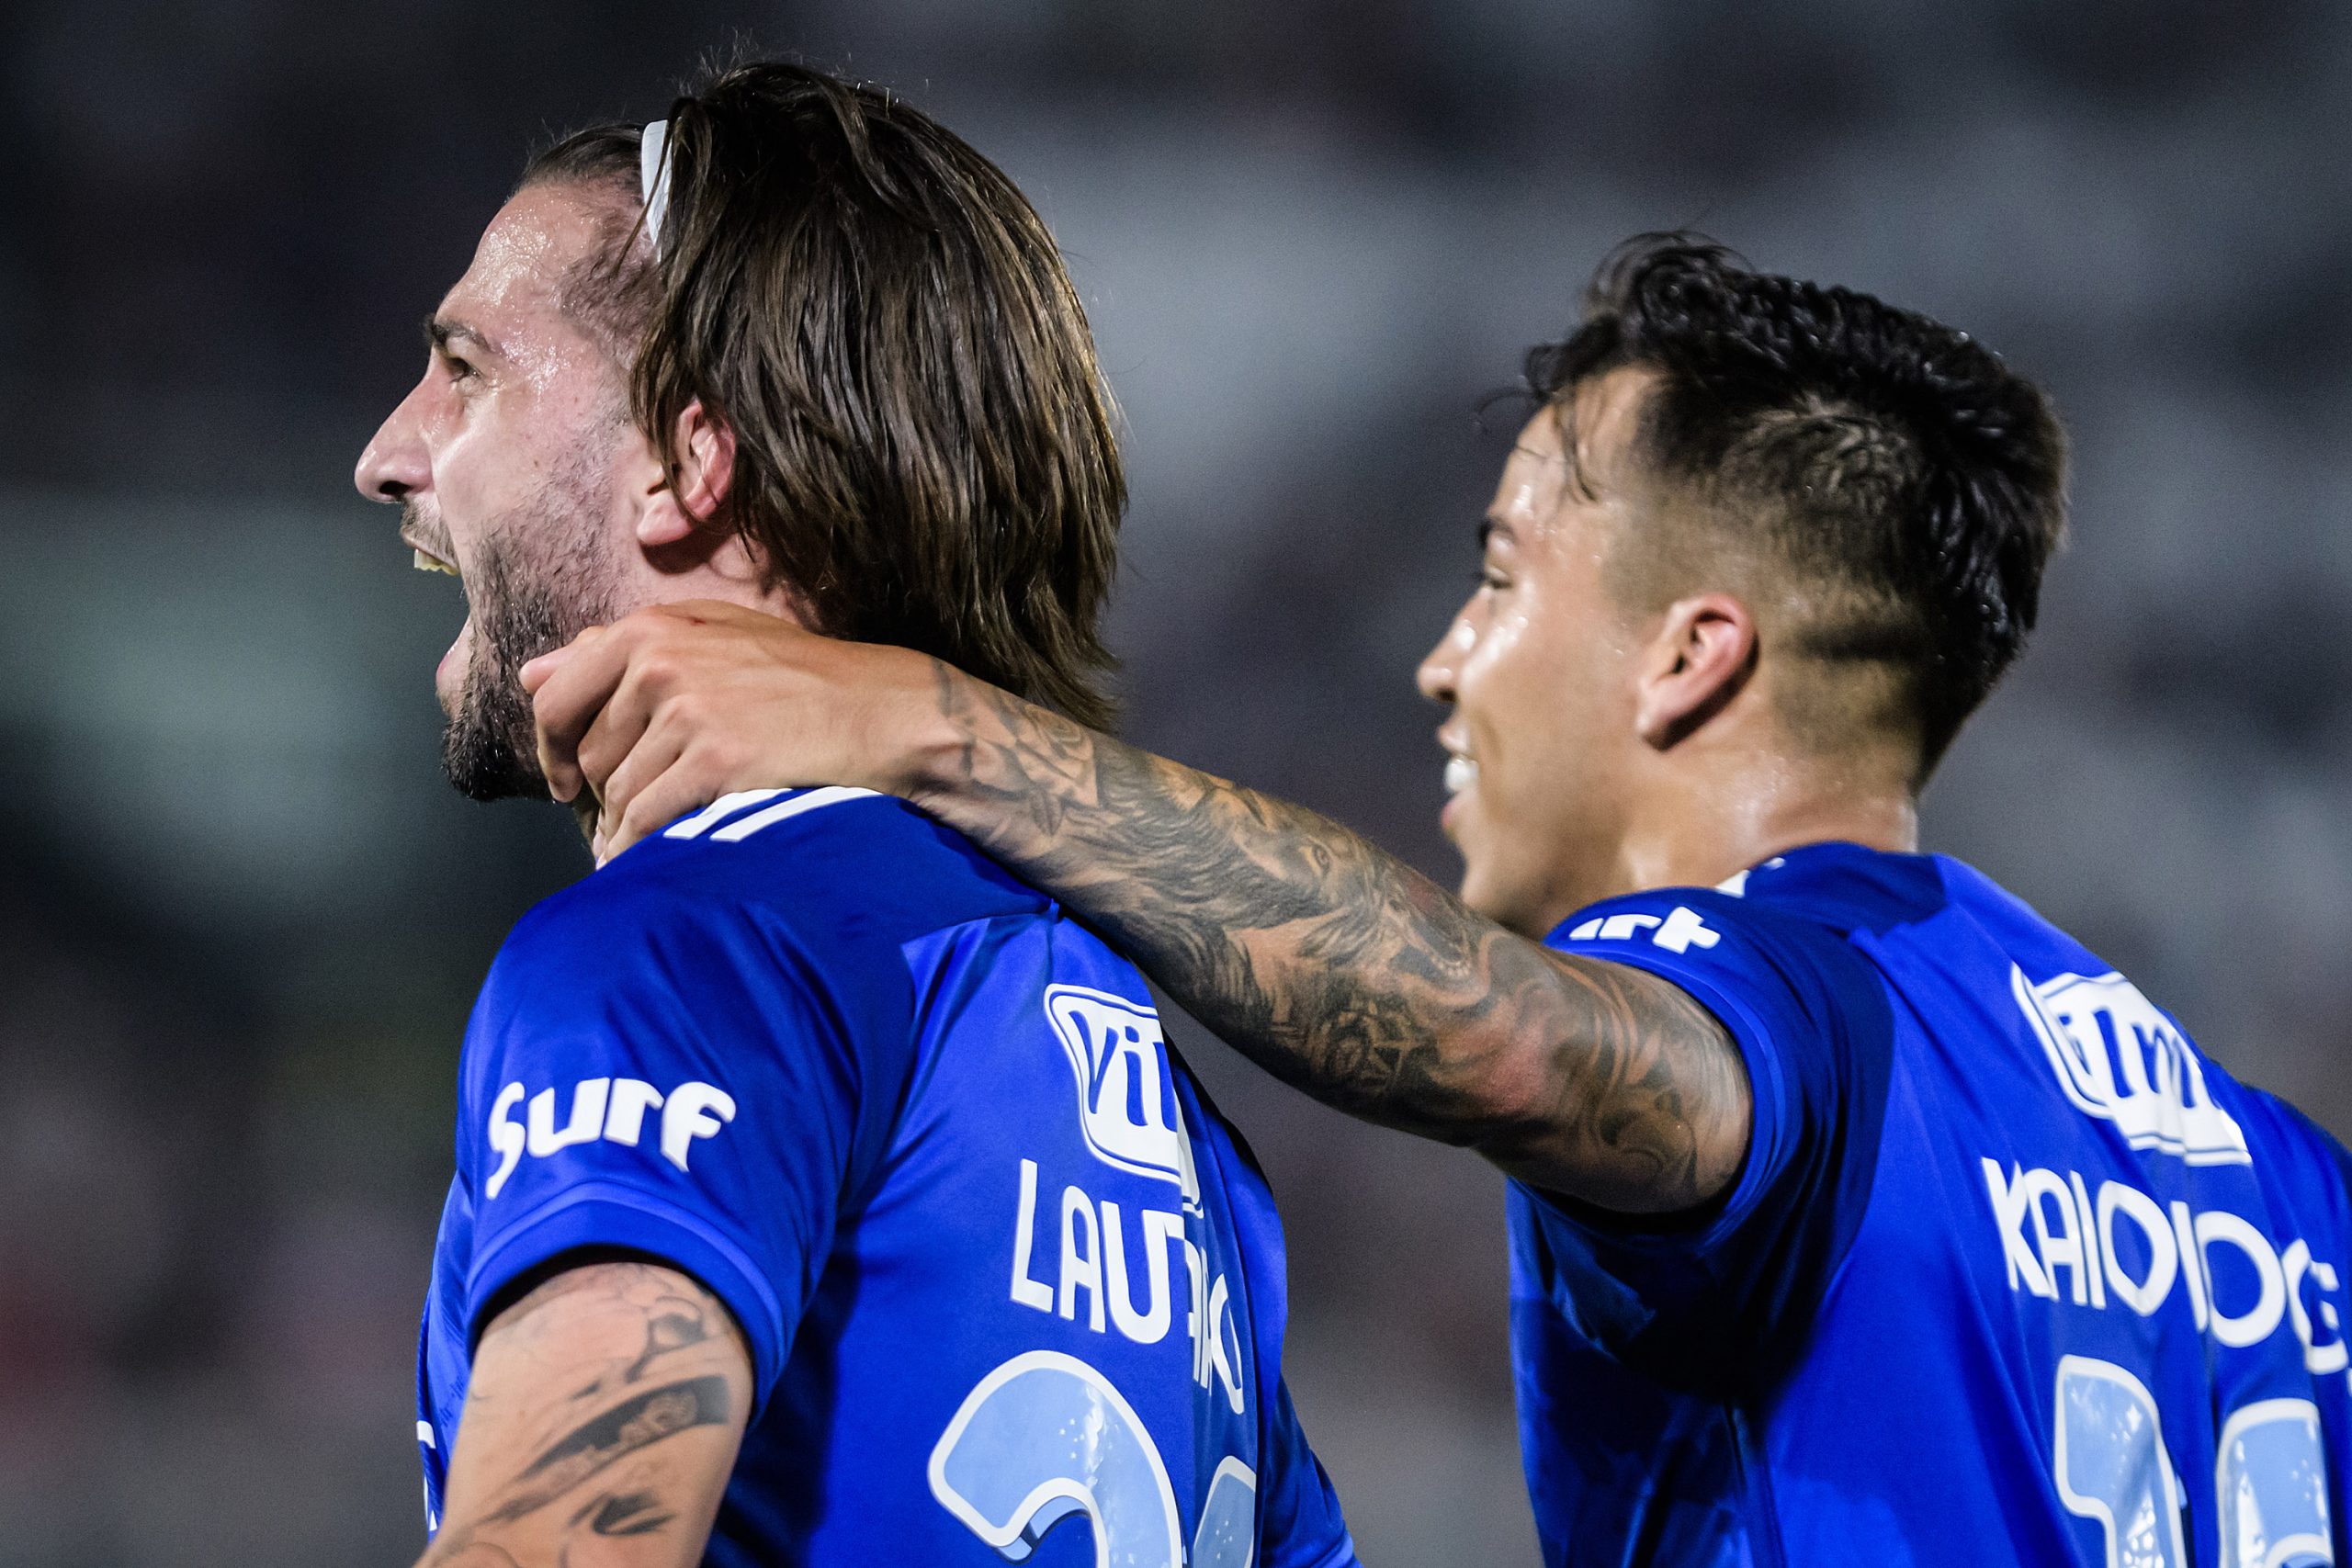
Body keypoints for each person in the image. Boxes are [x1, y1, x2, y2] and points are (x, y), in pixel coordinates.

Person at [526, 236, 2352, 1564]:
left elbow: (1510, 1034)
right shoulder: (2261, 1168)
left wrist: (927, 724)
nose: (1438, 660)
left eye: (1496, 575)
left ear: (1688, 656)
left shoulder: (1776, 1004)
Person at [353, 60, 1355, 1568]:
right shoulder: (1180, 1144)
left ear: (690, 459)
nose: (390, 452)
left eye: (467, 370)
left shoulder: (692, 941)